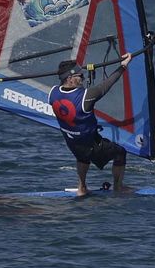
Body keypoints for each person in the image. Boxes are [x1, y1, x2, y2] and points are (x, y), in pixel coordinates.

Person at [49, 53, 134, 197]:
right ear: (69, 79)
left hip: (72, 142)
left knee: (82, 157)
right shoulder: (86, 97)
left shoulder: (52, 93)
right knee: (120, 153)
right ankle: (118, 187)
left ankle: (81, 188)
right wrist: (123, 65)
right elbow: (108, 84)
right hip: (91, 144)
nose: (83, 78)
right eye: (79, 76)